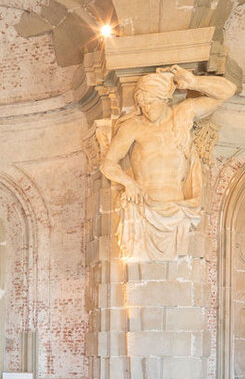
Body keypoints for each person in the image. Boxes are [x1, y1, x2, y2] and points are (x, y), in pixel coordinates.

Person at [100, 65, 235, 260]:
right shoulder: (133, 127)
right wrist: (129, 183)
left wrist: (194, 82)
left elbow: (227, 92)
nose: (146, 108)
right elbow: (108, 164)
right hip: (142, 210)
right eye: (142, 103)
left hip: (179, 211)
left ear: (164, 99)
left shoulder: (183, 112)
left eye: (150, 102)